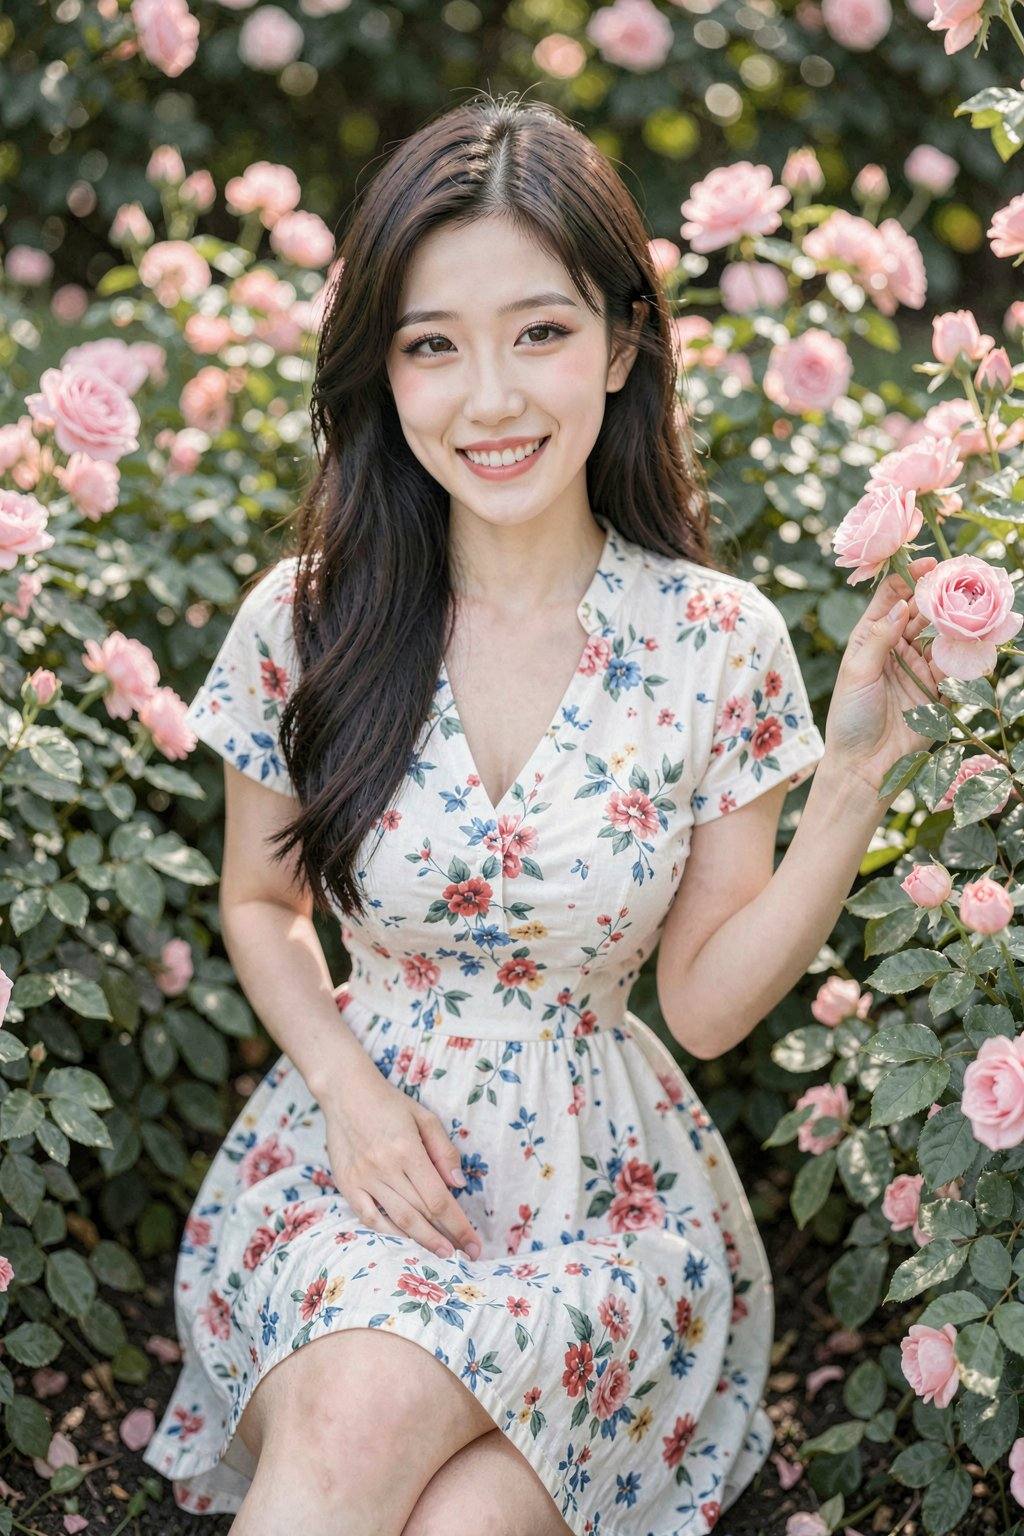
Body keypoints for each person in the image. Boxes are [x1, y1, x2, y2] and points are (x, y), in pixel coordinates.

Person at [142, 91, 943, 1536]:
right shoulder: (309, 622)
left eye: (542, 332)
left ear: (624, 343)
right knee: (362, 1403)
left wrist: (853, 783)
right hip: (352, 1172)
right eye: (433, 345)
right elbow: (259, 907)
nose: (491, 397)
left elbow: (699, 1007)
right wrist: (348, 1091)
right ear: (382, 374)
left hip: (602, 1213)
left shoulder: (717, 640)